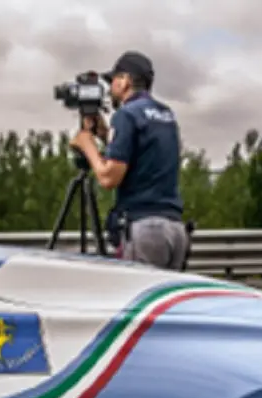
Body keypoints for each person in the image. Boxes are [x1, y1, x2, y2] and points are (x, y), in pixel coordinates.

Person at [69, 50, 190, 271]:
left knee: (136, 302)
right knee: (163, 305)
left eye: (113, 79)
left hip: (145, 229)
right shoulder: (166, 115)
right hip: (175, 229)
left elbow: (108, 177)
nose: (110, 87)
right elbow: (143, 154)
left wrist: (87, 145)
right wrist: (106, 136)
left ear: (125, 81)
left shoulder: (126, 114)